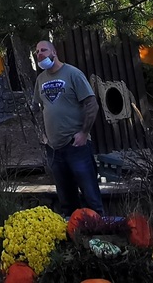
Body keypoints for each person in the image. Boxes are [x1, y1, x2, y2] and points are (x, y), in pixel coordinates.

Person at [32, 40, 103, 214]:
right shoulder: (40, 79)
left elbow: (92, 104)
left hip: (76, 145)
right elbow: (38, 108)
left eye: (43, 50)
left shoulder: (73, 74)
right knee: (66, 202)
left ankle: (101, 235)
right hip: (54, 149)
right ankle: (73, 236)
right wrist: (44, 135)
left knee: (91, 196)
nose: (39, 54)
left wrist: (84, 133)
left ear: (54, 52)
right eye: (37, 51)